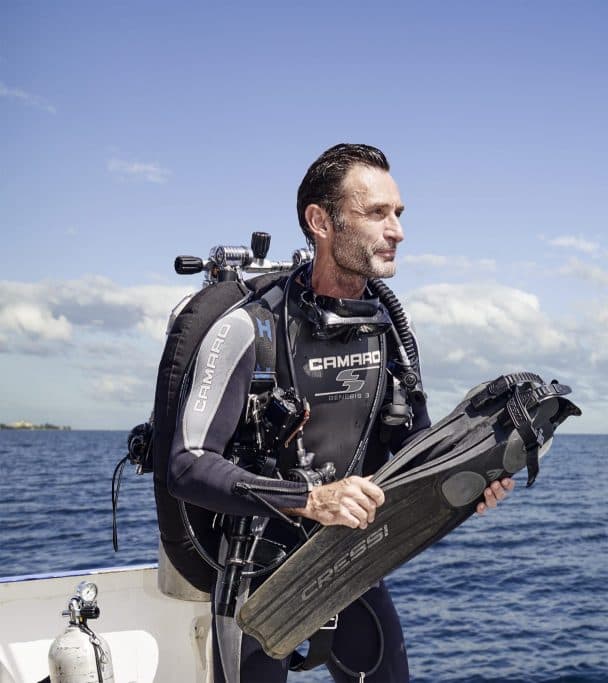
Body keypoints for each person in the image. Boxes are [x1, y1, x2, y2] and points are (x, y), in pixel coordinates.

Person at [167, 143, 515, 682]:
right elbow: (187, 465)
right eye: (376, 213)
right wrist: (309, 500)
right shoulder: (248, 330)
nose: (396, 230)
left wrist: (473, 480)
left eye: (398, 214)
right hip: (257, 575)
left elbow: (414, 454)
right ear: (320, 221)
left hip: (351, 560)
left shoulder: (388, 332)